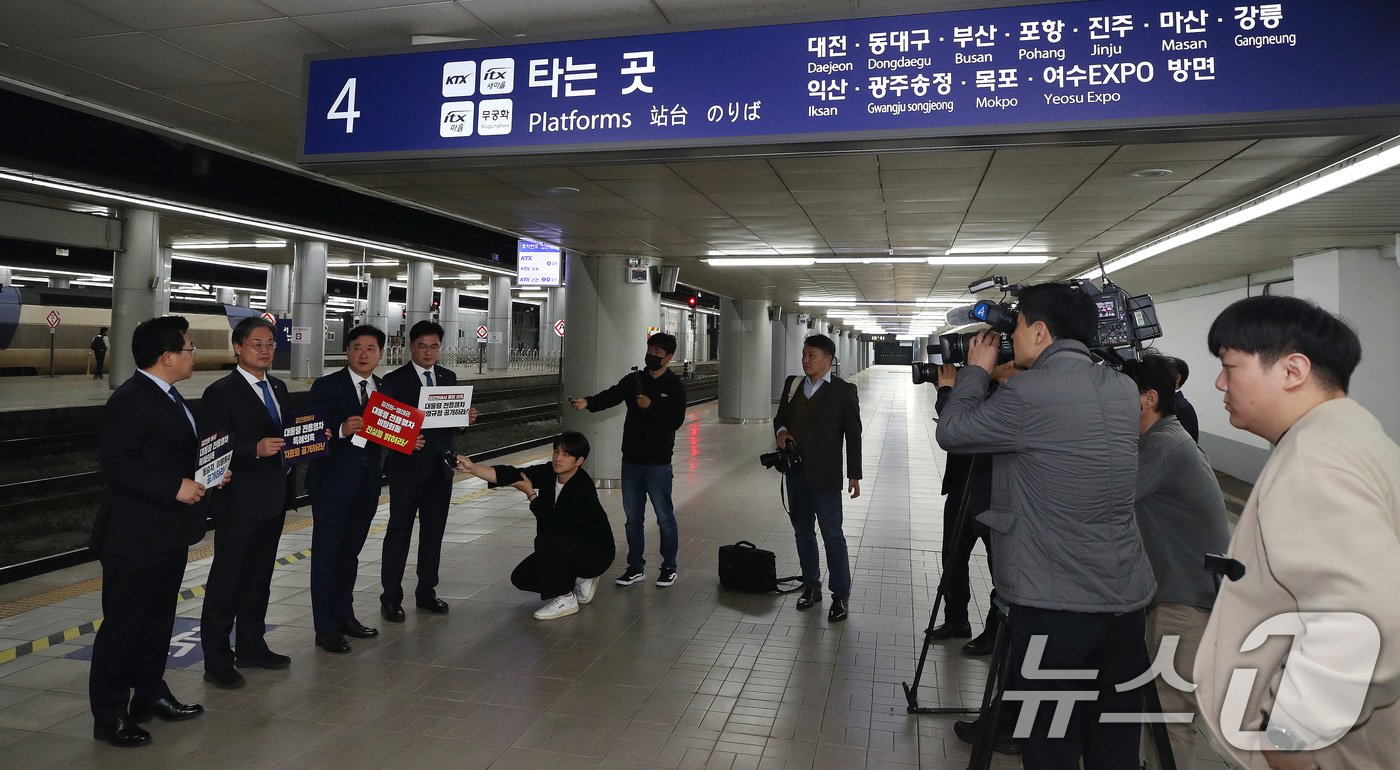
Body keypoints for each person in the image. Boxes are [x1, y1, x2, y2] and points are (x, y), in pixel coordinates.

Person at [936, 283, 1156, 768]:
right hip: (1124, 602)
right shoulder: (1121, 388)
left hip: (1057, 608)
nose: (1011, 338)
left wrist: (975, 371)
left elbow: (953, 432)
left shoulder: (1030, 393)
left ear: (1039, 330)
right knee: (1113, 742)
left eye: (1016, 328)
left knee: (1051, 741)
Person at [1194, 296, 1400, 770]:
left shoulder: (1314, 460)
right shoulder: (1355, 436)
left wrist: (1291, 738)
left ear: (1292, 370)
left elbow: (1370, 622)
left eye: (1230, 366)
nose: (1221, 382)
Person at [89, 316, 216, 747]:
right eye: (189, 348)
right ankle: (109, 715)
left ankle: (148, 693)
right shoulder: (132, 398)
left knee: (158, 620)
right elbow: (117, 463)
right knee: (124, 625)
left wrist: (207, 475)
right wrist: (172, 486)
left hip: (167, 533)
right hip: (135, 537)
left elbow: (168, 455)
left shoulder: (169, 396)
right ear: (166, 357)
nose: (192, 355)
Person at [1121, 356, 1230, 770]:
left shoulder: (1163, 447)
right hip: (1180, 596)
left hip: (1186, 605)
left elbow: (1102, 498)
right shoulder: (1162, 439)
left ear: (1148, 399)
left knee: (1169, 718)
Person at [306, 325, 420, 654]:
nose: (364, 354)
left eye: (371, 348)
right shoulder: (326, 386)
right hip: (331, 485)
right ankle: (325, 628)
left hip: (367, 485)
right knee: (327, 556)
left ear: (381, 353)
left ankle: (345, 616)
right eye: (357, 347)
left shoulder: (385, 389)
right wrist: (340, 430)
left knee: (350, 554)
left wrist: (410, 441)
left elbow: (393, 431)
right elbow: (309, 433)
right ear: (347, 351)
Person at [198, 317, 295, 690]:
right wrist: (251, 450)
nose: (266, 349)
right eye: (257, 343)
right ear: (237, 348)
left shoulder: (279, 387)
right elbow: (210, 449)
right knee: (228, 582)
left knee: (259, 579)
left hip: (273, 500)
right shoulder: (221, 392)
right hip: (238, 502)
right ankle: (217, 659)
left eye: (270, 343)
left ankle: (252, 645)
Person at [455, 432, 615, 620]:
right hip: (569, 547)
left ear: (579, 461)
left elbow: (552, 524)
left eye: (566, 455)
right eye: (556, 451)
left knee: (546, 541)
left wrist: (531, 495)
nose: (558, 458)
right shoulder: (550, 473)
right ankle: (580, 577)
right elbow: (514, 475)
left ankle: (565, 597)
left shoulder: (582, 489)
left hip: (595, 554)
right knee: (522, 577)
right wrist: (473, 468)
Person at [570, 332, 686, 588]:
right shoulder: (635, 380)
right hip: (631, 462)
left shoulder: (674, 386)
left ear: (668, 357)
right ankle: (636, 567)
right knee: (633, 519)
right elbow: (611, 395)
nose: (652, 356)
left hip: (658, 464)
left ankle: (669, 567)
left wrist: (651, 405)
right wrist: (588, 402)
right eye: (650, 350)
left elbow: (676, 420)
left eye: (658, 353)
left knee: (664, 517)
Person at [380, 320, 477, 622]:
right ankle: (391, 597)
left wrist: (465, 418)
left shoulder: (448, 377)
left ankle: (427, 592)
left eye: (434, 346)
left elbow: (451, 423)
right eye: (422, 346)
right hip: (407, 469)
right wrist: (406, 440)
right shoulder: (393, 380)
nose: (428, 351)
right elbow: (382, 424)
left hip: (440, 469)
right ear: (411, 347)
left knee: (433, 533)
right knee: (399, 533)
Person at [773, 333, 862, 622]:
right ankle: (812, 586)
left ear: (828, 360)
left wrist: (854, 474)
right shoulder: (793, 385)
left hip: (825, 477)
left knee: (832, 535)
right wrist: (782, 432)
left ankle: (840, 595)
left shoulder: (843, 391)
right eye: (804, 354)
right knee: (803, 533)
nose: (805, 360)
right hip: (796, 474)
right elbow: (780, 418)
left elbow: (854, 435)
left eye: (812, 355)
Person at [930, 361, 1017, 654]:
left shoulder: (1011, 394)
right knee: (952, 559)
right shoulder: (975, 387)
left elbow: (957, 427)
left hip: (996, 495)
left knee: (1000, 567)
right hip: (961, 488)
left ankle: (995, 632)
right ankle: (956, 619)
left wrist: (945, 391)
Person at [1166, 356, 1201, 443]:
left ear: (1177, 378)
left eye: (1163, 374)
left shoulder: (1182, 408)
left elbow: (1179, 445)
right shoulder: (1170, 402)